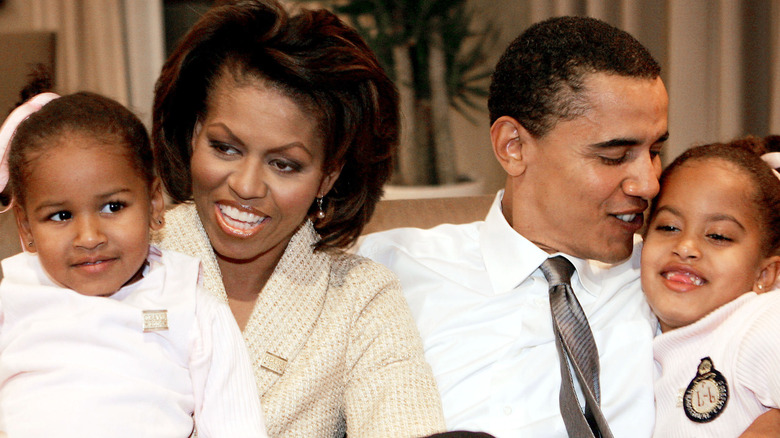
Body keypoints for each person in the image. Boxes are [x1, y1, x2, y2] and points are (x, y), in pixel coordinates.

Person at [358, 15, 668, 437]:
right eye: (614, 156)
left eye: (655, 150)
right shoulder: (387, 271)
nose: (648, 183)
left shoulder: (668, 278)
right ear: (514, 147)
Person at [151, 1, 445, 437]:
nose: (247, 186)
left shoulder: (359, 299)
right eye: (225, 148)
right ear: (193, 133)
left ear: (328, 175)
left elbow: (405, 424)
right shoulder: (123, 255)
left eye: (284, 164)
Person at [0, 89, 267, 437]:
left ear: (154, 203)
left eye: (113, 207)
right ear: (25, 227)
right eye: (61, 215)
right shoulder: (13, 299)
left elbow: (237, 428)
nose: (89, 236)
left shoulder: (190, 306)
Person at [642, 138, 780, 437]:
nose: (686, 246)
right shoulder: (644, 336)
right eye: (668, 227)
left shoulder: (760, 323)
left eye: (718, 235)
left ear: (766, 273)